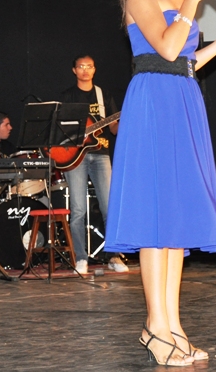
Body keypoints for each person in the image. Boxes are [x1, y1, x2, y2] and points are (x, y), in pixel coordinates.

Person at [103, 0, 216, 367]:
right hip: (152, 104)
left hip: (183, 98)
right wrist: (192, 0)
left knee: (175, 220)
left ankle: (173, 326)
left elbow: (183, 61)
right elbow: (165, 49)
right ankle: (155, 326)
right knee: (155, 217)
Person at [61, 55, 126, 274]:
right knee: (78, 209)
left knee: (109, 207)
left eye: (89, 66)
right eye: (81, 66)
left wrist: (124, 123)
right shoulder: (67, 96)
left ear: (94, 69)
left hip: (101, 155)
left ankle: (114, 256)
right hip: (75, 157)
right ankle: (81, 258)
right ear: (74, 70)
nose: (85, 70)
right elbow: (62, 128)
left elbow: (114, 128)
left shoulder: (103, 95)